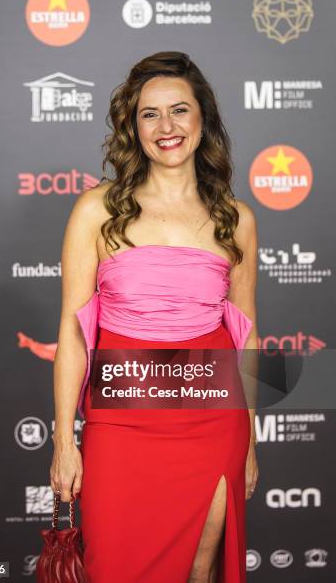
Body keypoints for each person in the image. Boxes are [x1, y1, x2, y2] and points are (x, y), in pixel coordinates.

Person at [50, 51, 259, 583]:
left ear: (202, 120)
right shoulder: (96, 210)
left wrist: (251, 440)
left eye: (179, 110)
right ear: (133, 127)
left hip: (213, 421)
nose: (166, 127)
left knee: (198, 570)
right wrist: (63, 441)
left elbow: (248, 338)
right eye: (150, 114)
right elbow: (73, 337)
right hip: (121, 424)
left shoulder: (237, 221)